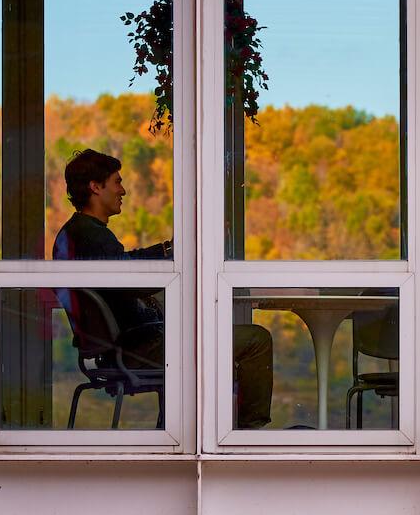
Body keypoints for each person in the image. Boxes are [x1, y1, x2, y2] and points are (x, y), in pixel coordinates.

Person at [54, 149, 273, 428]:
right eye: (117, 182)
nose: (124, 191)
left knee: (189, 335)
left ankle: (177, 432)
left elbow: (124, 266)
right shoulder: (92, 235)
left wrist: (168, 250)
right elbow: (129, 281)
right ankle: (249, 435)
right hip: (136, 349)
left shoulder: (76, 234)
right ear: (95, 187)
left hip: (118, 347)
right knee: (255, 339)